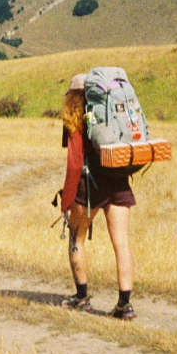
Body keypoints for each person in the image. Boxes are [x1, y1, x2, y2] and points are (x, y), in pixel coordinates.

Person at [58, 73, 137, 319]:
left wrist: (67, 199)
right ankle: (124, 305)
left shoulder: (75, 118)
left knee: (76, 238)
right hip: (118, 181)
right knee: (121, 242)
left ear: (72, 96)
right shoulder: (108, 113)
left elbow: (74, 162)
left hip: (89, 185)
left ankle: (81, 298)